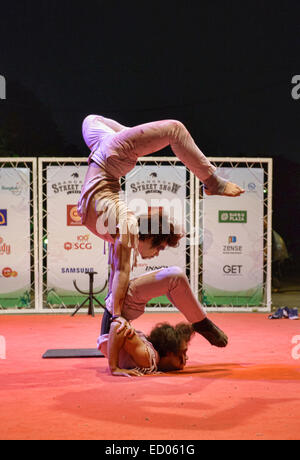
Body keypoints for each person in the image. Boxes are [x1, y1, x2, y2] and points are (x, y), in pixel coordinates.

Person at [78, 115, 244, 348]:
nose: (156, 255)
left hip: (103, 155)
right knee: (174, 129)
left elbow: (118, 270)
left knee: (91, 118)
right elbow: (121, 271)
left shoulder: (121, 228)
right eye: (159, 248)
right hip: (109, 155)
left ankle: (201, 323)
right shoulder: (126, 224)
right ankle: (213, 182)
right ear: (151, 238)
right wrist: (116, 317)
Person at [99, 318, 195, 377]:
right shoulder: (147, 357)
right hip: (111, 322)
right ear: (169, 352)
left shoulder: (150, 359)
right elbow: (117, 326)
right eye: (183, 353)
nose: (186, 358)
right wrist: (114, 368)